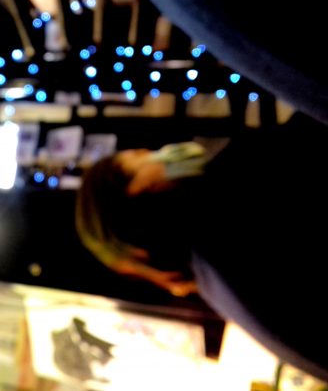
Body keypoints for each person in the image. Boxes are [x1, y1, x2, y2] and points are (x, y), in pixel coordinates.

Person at [75, 110, 328, 382]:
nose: (160, 152)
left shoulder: (211, 276)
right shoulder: (230, 202)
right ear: (137, 188)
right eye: (140, 155)